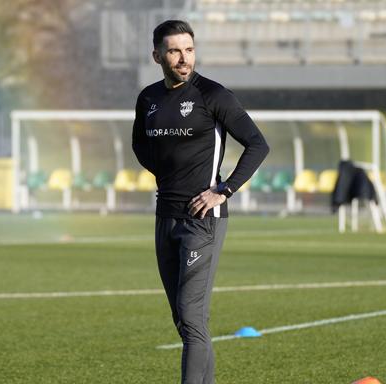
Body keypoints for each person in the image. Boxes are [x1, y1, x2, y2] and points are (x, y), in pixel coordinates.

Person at [132, 20, 270, 384]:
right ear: (157, 55)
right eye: (175, 50)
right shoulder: (147, 99)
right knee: (185, 320)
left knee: (191, 317)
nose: (183, 58)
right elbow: (140, 147)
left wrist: (221, 190)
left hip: (203, 219)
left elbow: (258, 145)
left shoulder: (214, 95)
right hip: (166, 216)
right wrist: (168, 175)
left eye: (189, 50)